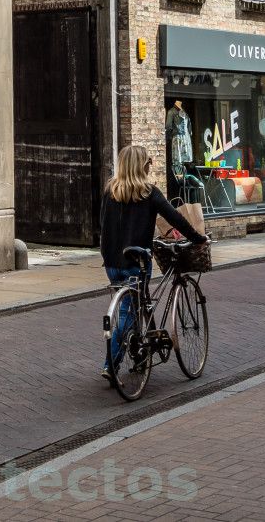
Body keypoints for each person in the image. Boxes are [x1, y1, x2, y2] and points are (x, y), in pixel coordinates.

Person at [100, 143, 204, 378]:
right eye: (148, 161)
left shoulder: (111, 191)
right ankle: (110, 365)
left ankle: (139, 354)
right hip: (136, 263)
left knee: (133, 308)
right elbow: (176, 219)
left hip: (112, 264)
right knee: (127, 314)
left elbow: (103, 225)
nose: (150, 165)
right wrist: (198, 238)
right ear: (140, 165)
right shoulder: (149, 192)